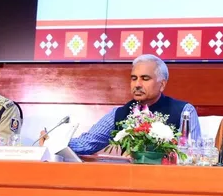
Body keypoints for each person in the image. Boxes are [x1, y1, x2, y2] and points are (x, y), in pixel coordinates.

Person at [62, 55, 201, 155]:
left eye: (145, 78)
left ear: (162, 84)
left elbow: (193, 154)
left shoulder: (184, 111)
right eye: (134, 78)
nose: (137, 84)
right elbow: (86, 144)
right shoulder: (120, 113)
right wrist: (57, 141)